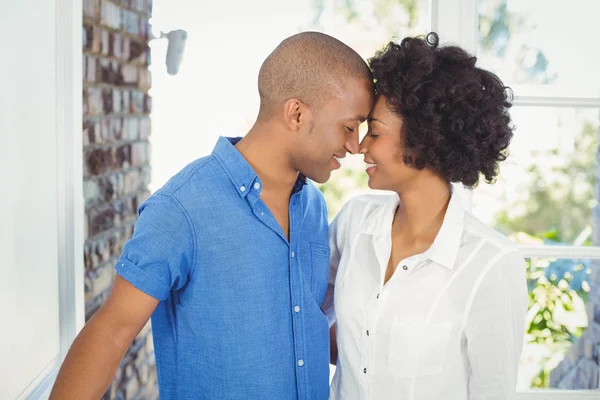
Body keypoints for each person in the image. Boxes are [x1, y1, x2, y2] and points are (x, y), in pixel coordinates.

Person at [50, 31, 374, 400]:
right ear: (296, 113)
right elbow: (111, 331)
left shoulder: (313, 207)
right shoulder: (183, 207)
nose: (355, 145)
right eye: (350, 126)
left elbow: (306, 327)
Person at [324, 32, 528, 399]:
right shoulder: (354, 222)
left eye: (376, 132)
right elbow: (303, 316)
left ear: (422, 141)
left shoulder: (491, 264)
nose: (360, 146)